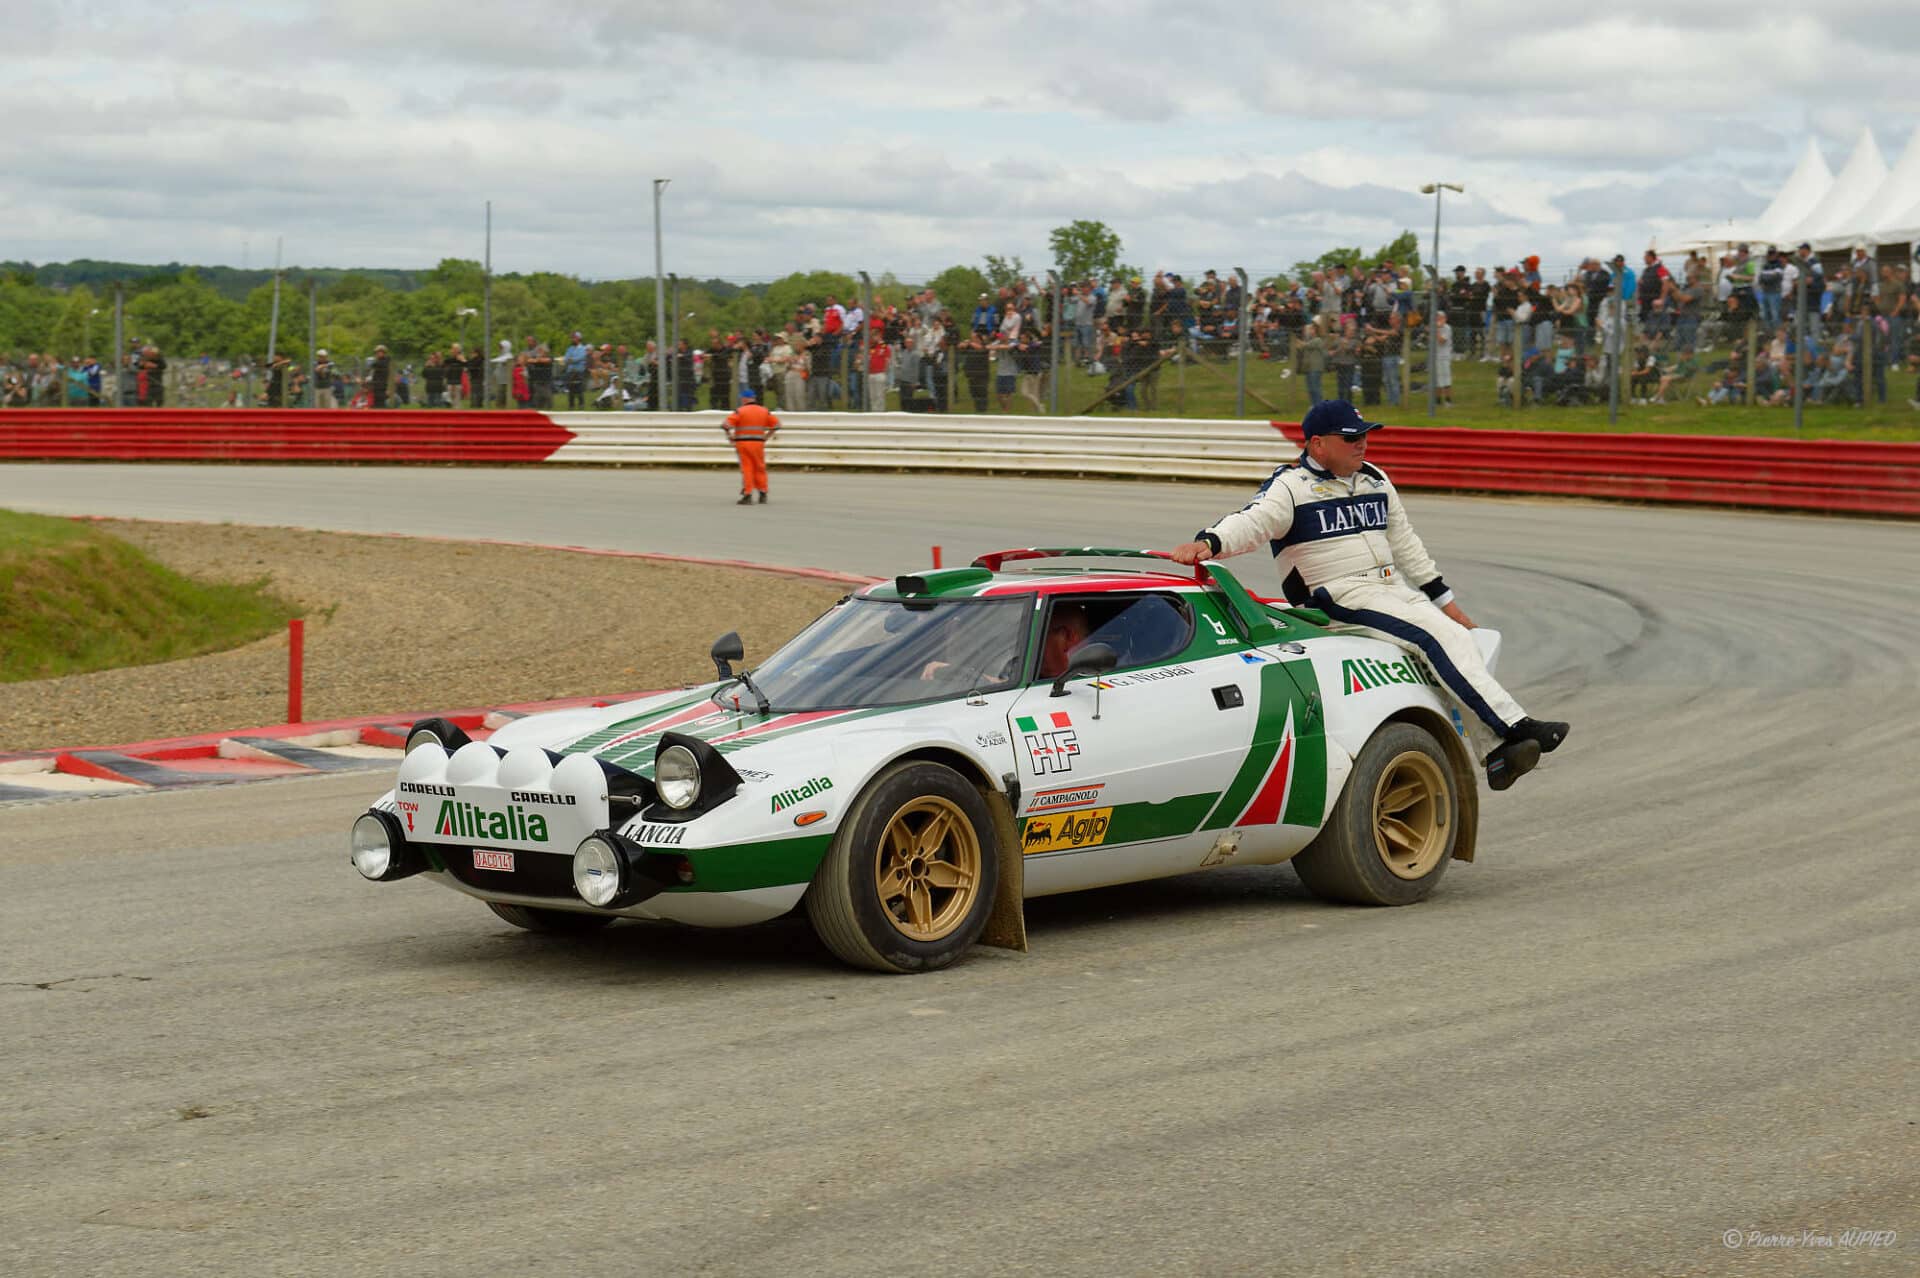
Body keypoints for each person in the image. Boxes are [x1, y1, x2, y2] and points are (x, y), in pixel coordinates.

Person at [1166, 399, 1569, 790]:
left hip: (1390, 587)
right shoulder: (1291, 487)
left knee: (1458, 637)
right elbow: (1252, 521)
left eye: (1365, 435)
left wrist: (1448, 604)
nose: (1362, 442)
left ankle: (1497, 754)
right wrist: (1210, 542)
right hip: (1334, 594)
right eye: (1350, 437)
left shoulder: (1375, 478)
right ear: (1317, 443)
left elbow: (1406, 543)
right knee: (1434, 637)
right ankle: (1515, 726)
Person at [722, 388, 779, 505]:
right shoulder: (764, 411)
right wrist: (767, 437)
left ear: (744, 399)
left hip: (742, 444)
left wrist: (730, 436)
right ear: (754, 398)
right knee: (760, 467)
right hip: (758, 443)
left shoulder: (740, 411)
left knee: (747, 468)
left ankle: (747, 494)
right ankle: (763, 493)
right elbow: (777, 425)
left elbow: (726, 425)